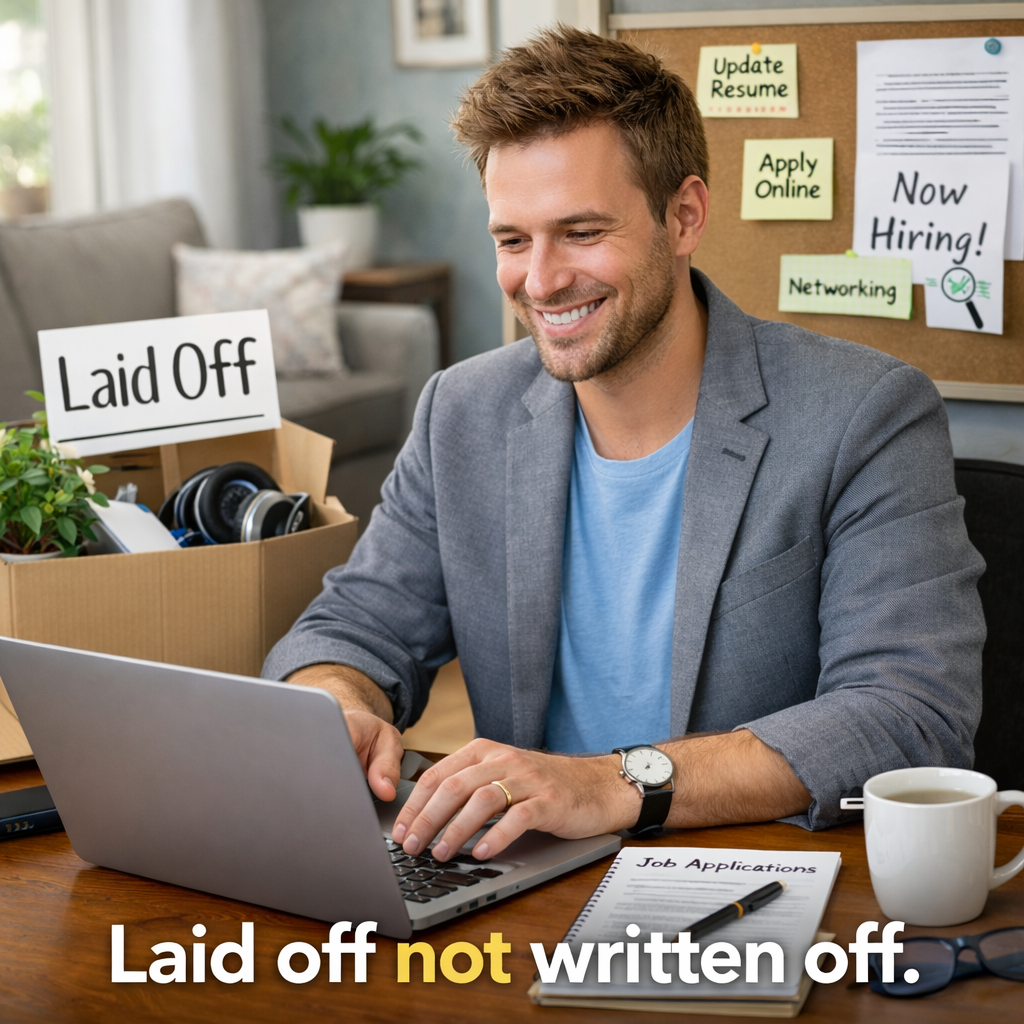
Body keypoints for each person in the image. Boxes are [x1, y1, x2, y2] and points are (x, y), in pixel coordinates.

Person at [263, 27, 984, 863]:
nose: (539, 281)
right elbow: (355, 623)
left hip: (754, 885)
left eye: (581, 231)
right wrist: (336, 702)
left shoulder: (865, 413)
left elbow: (908, 713)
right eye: (511, 240)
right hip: (523, 879)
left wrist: (612, 784)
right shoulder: (461, 412)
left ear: (684, 216)